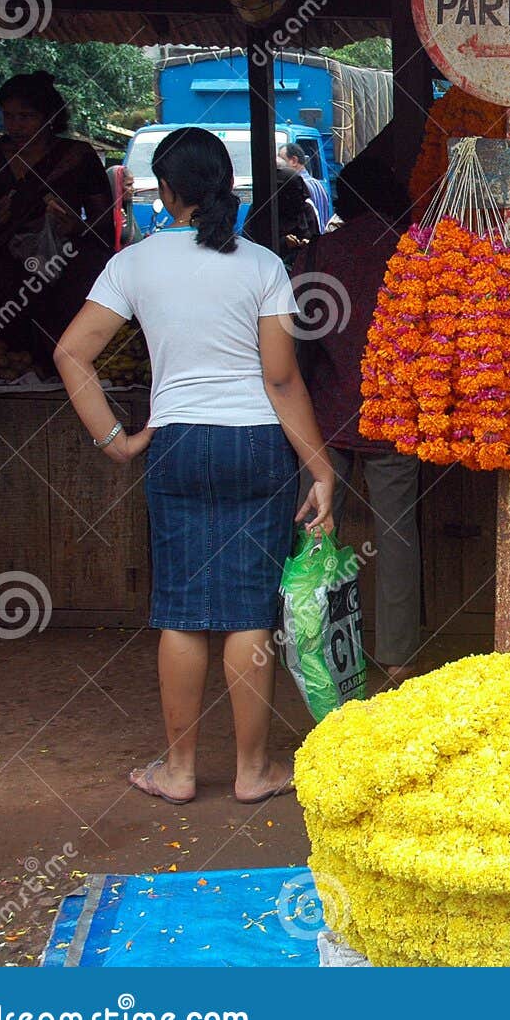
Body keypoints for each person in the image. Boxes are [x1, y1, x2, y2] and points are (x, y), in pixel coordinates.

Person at [53, 127, 336, 806]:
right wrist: (320, 468)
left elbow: (72, 354)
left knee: (181, 610)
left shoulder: (135, 262)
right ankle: (254, 771)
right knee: (247, 613)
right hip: (256, 446)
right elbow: (282, 379)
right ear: (225, 188)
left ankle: (178, 772)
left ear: (168, 190)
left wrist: (115, 440)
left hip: (176, 441)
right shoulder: (263, 265)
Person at [298, 156, 421, 683]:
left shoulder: (320, 254)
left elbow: (298, 337)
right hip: (393, 415)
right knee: (397, 538)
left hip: (325, 419)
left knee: (315, 533)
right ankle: (398, 658)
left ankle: (310, 649)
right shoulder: (414, 252)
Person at [0, 72, 111, 366]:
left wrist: (76, 227)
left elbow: (104, 223)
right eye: (9, 116)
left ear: (50, 117)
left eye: (26, 116)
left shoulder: (77, 157)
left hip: (63, 268)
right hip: (2, 277)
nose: (15, 126)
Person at [244, 166, 319, 263]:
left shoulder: (305, 210)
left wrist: (307, 244)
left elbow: (317, 243)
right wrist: (283, 243)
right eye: (293, 193)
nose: (300, 197)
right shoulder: (261, 211)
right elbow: (251, 245)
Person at [277, 142, 332, 229]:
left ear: (294, 161)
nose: (279, 165)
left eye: (281, 159)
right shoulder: (319, 185)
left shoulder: (297, 187)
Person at [108, 165, 144, 250]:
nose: (132, 189)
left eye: (132, 184)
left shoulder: (125, 210)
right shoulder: (107, 215)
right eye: (128, 185)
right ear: (116, 186)